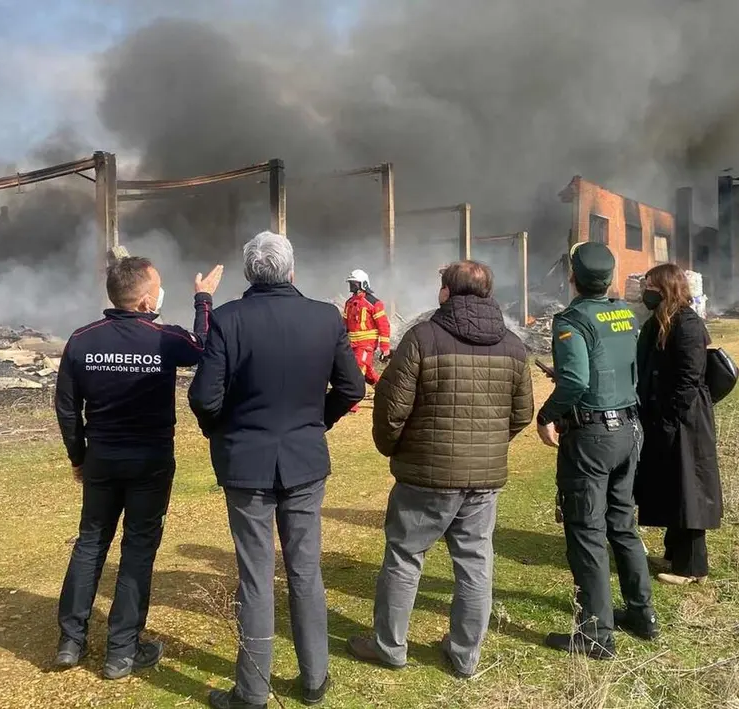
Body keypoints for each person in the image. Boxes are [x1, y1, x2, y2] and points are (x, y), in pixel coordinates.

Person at [189, 231, 366, 709]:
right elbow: (353, 389)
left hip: (246, 464)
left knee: (255, 577)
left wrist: (224, 432)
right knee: (306, 572)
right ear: (291, 271)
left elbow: (204, 398)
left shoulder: (227, 320)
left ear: (250, 274)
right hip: (305, 461)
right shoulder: (325, 317)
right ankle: (314, 680)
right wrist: (316, 423)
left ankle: (251, 693)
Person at [346, 261, 533, 678]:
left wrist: (394, 448)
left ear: (447, 293)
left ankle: (389, 647)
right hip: (483, 481)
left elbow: (391, 410)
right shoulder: (513, 346)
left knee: (404, 557)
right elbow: (522, 414)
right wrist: (487, 446)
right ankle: (466, 656)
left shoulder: (422, 338)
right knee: (475, 562)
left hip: (424, 477)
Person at [54, 256, 224, 679]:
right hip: (149, 461)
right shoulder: (163, 338)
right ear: (147, 300)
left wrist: (79, 456)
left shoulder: (82, 339)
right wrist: (203, 300)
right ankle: (121, 652)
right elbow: (204, 348)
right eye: (160, 286)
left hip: (102, 459)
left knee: (90, 543)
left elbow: (66, 408)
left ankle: (70, 642)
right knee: (137, 550)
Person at [534, 242, 658, 659]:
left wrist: (546, 415)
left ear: (572, 277)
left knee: (587, 532)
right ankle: (642, 615)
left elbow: (574, 383)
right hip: (628, 429)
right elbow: (623, 367)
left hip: (592, 438)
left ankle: (595, 634)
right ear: (609, 277)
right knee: (622, 525)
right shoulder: (624, 312)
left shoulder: (572, 319)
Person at [634, 263, 722, 585]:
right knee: (675, 487)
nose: (646, 292)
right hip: (668, 419)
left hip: (685, 422)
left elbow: (689, 378)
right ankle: (675, 554)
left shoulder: (686, 324)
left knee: (689, 490)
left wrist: (670, 418)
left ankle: (691, 569)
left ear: (666, 288)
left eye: (651, 286)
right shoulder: (660, 321)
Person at [343, 268, 391, 409]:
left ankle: (352, 401)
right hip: (352, 344)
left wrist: (385, 348)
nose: (351, 286)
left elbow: (384, 326)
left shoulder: (374, 303)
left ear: (363, 284)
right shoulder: (349, 302)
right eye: (351, 283)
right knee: (367, 372)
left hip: (367, 344)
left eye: (354, 283)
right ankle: (385, 391)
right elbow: (344, 324)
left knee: (358, 368)